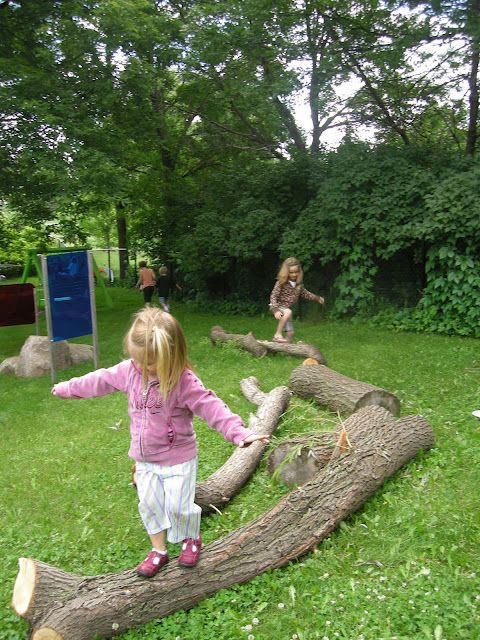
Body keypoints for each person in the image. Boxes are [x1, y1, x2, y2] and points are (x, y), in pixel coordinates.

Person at [51, 307, 269, 577]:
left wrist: (239, 432)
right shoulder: (130, 371)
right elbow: (100, 380)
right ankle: (159, 550)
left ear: (172, 356)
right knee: (150, 505)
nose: (143, 368)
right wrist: (68, 387)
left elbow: (211, 406)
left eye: (151, 363)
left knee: (179, 506)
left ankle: (191, 538)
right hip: (144, 460)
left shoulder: (183, 381)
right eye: (137, 360)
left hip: (178, 458)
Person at [269, 257, 324, 343]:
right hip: (277, 306)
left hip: (286, 309)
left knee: (290, 332)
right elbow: (273, 296)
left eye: (296, 272)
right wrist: (275, 310)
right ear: (286, 272)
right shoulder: (281, 282)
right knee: (288, 312)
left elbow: (306, 293)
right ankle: (277, 334)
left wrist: (317, 298)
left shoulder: (299, 284)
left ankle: (288, 352)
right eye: (291, 272)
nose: (294, 274)